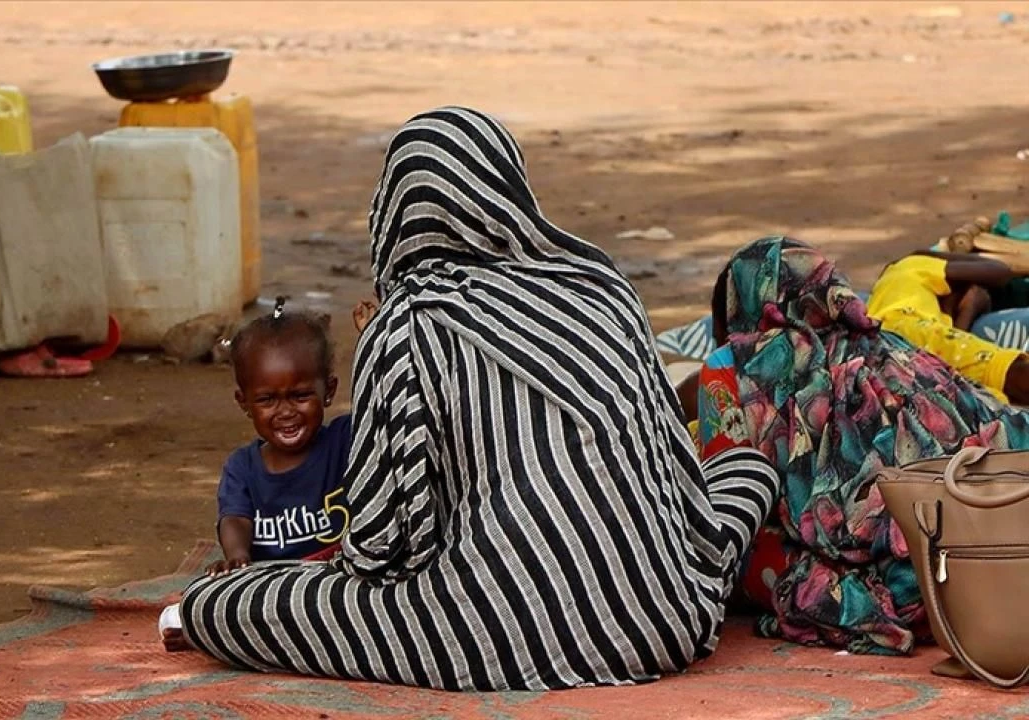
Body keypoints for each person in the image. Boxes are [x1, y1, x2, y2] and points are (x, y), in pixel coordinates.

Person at [170, 106, 781, 691]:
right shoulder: (602, 289)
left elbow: (384, 547)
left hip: (493, 631)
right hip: (664, 621)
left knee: (217, 604)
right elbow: (673, 477)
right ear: (507, 188)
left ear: (393, 210)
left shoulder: (404, 324)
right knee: (745, 467)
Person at [696, 236, 1029, 655]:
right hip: (965, 564)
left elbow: (727, 486)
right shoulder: (897, 347)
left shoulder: (730, 368)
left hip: (879, 577)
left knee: (729, 550)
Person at [161, 298, 356, 651]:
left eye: (300, 396)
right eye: (267, 400)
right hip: (265, 589)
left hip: (333, 582)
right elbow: (234, 518)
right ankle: (207, 626)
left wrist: (373, 341)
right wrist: (237, 557)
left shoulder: (344, 441)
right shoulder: (241, 467)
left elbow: (384, 410)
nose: (285, 412)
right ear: (244, 403)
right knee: (201, 598)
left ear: (328, 391)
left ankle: (223, 635)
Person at [865, 251, 1029, 404]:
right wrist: (934, 254)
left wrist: (968, 309)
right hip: (907, 330)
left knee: (977, 397)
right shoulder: (908, 266)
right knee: (1009, 373)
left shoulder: (892, 299)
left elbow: (950, 362)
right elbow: (1000, 271)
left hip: (886, 349)